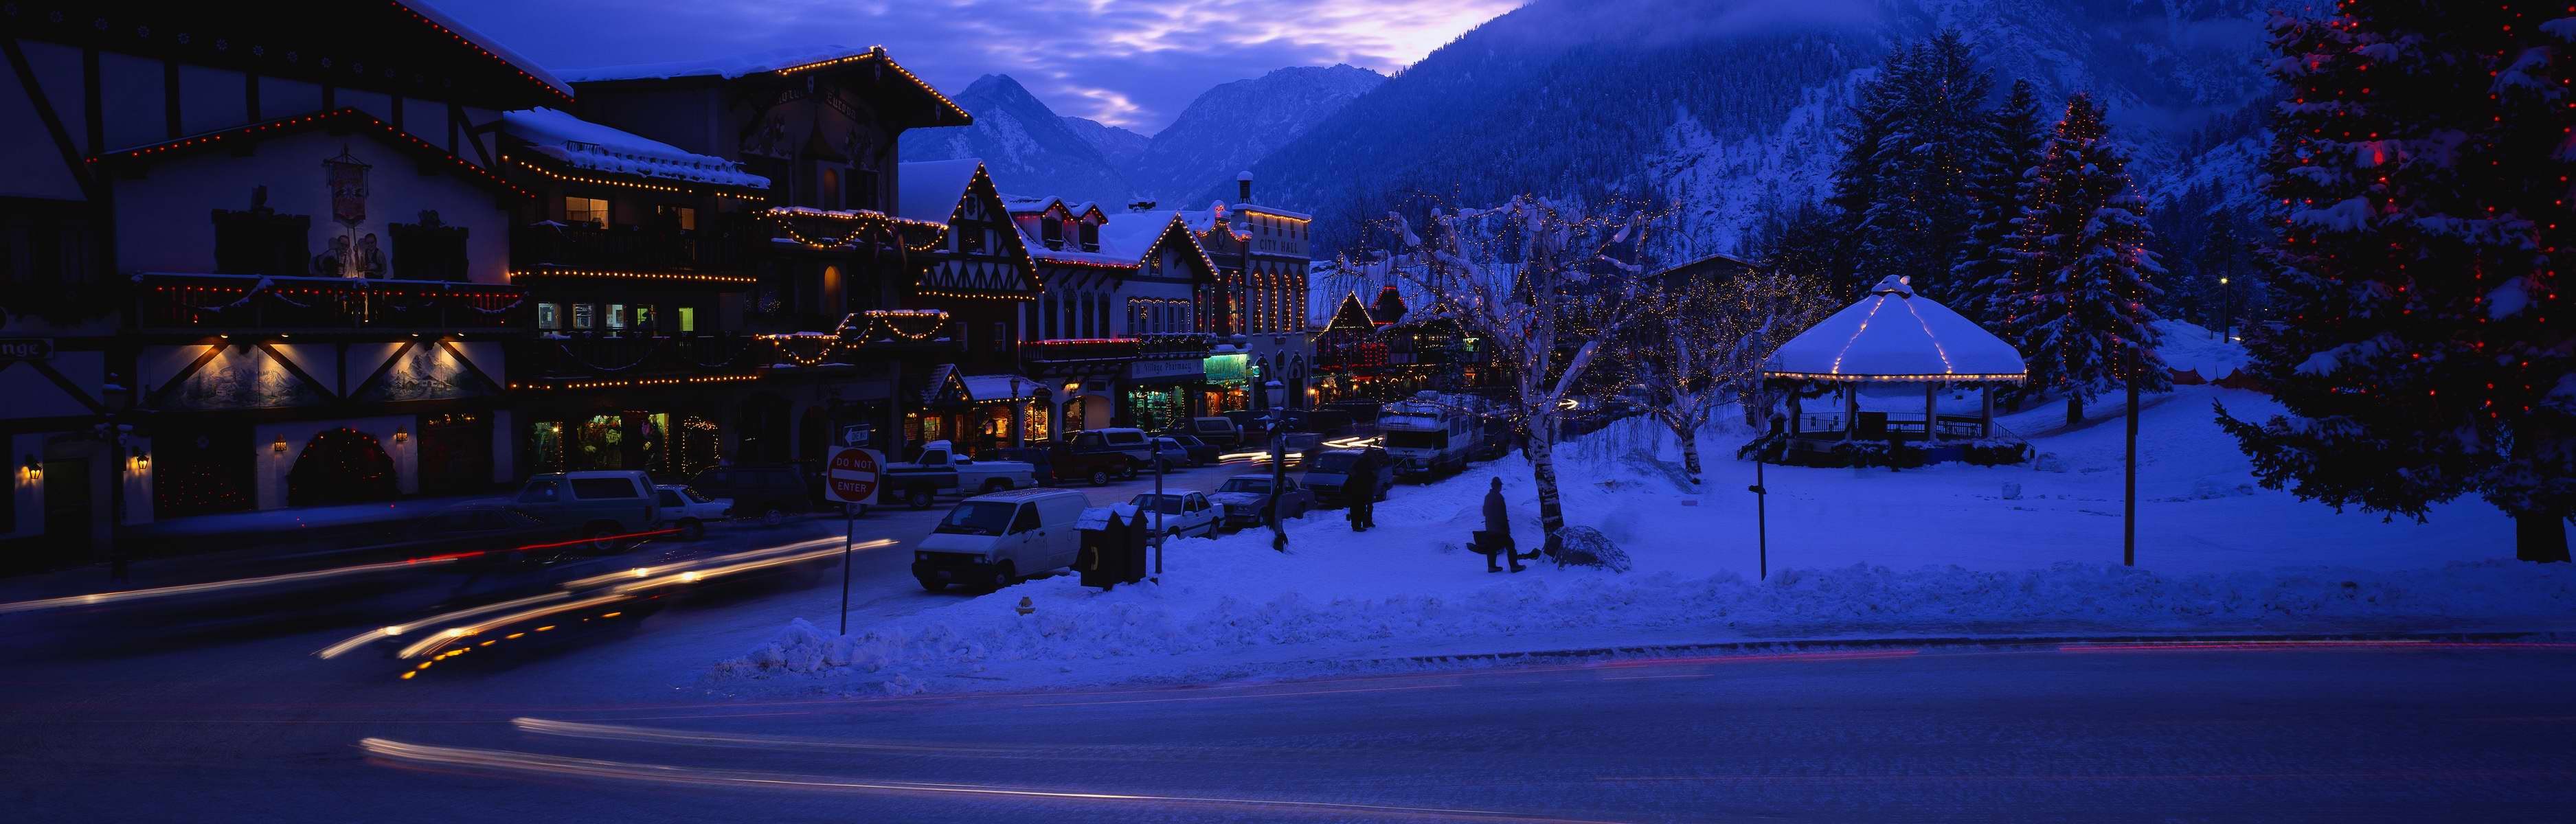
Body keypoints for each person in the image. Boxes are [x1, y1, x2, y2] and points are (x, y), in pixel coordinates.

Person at [1478, 476, 1522, 573]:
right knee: (1511, 544)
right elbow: (1502, 514)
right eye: (1500, 486)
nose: (1501, 487)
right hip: (1500, 528)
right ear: (1498, 486)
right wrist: (1506, 528)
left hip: (1490, 528)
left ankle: (1492, 567)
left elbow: (1485, 512)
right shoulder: (1499, 497)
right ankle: (1514, 566)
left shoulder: (1488, 497)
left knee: (1491, 547)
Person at [1345, 455, 1377, 532]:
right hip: (1358, 493)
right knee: (1358, 509)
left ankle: (1362, 523)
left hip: (1360, 492)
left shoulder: (1360, 469)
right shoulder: (1360, 471)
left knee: (1361, 508)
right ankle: (1357, 526)